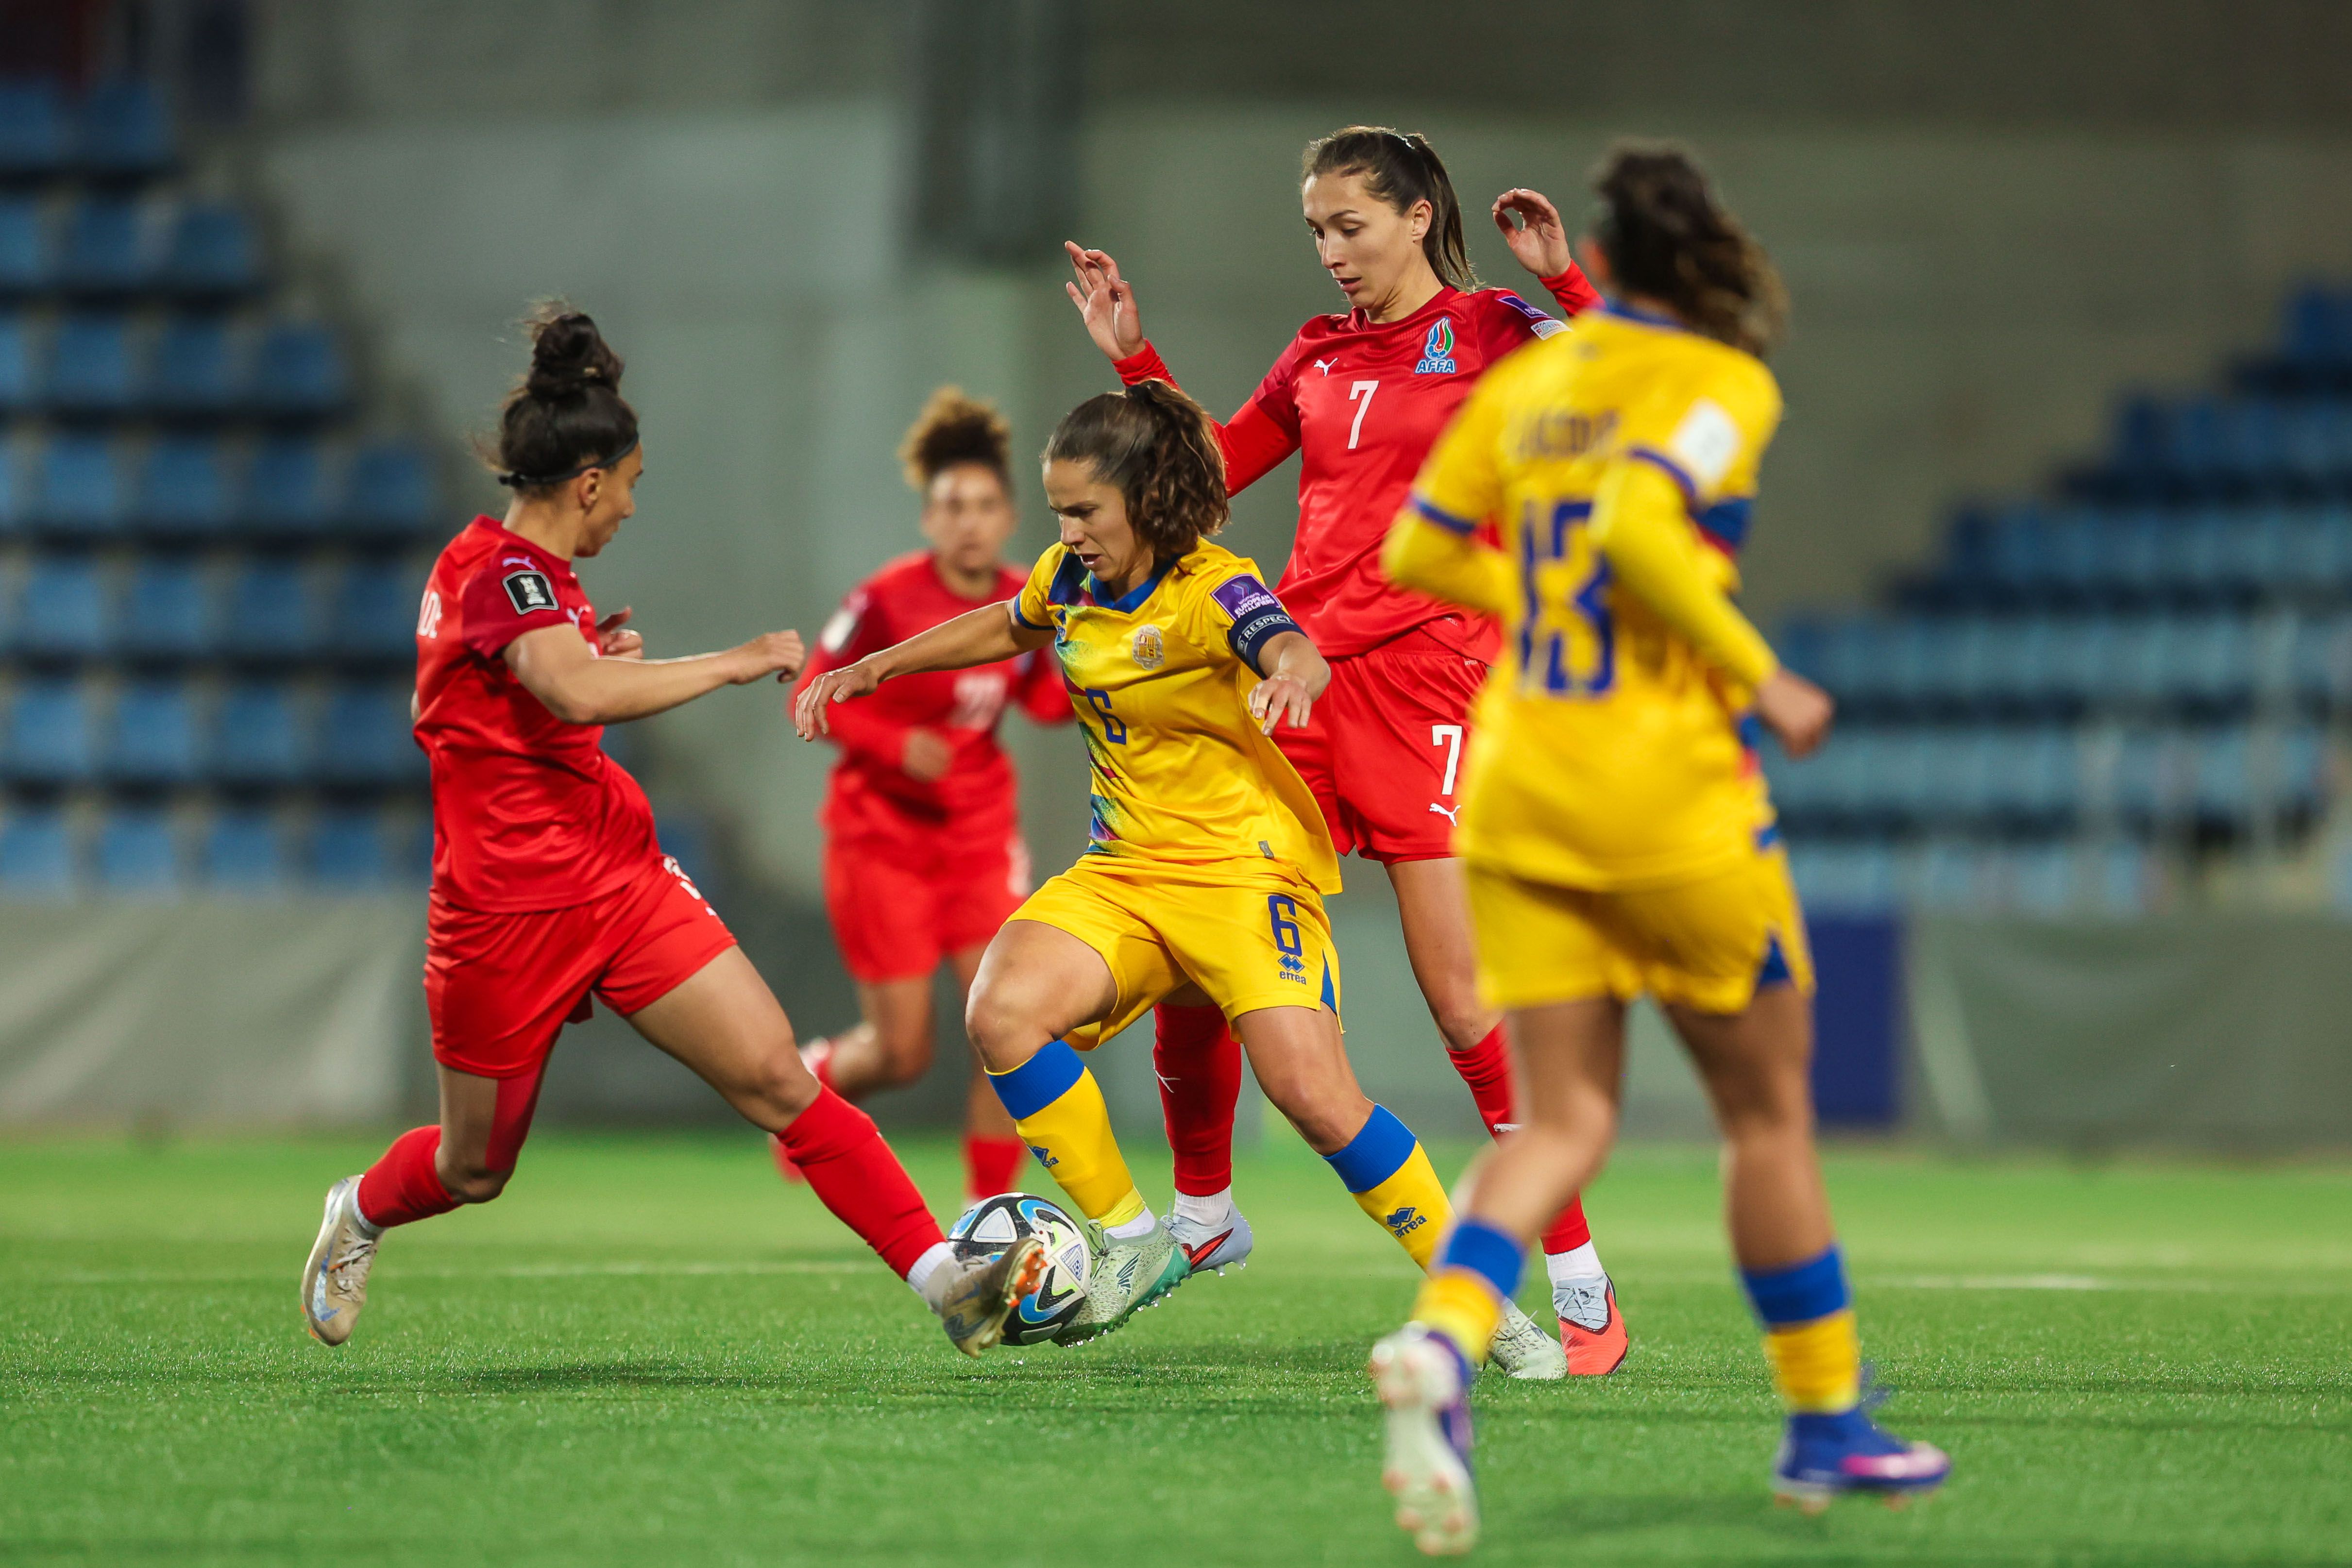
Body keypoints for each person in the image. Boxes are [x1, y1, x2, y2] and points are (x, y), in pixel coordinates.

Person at [1365, 144, 1951, 1553]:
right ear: (1713, 260)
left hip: (1515, 788)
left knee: (1560, 1118)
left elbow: (1421, 553)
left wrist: (1548, 593)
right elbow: (1634, 518)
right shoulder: (1721, 385)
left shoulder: (1523, 384)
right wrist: (1761, 675)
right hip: (1665, 792)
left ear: (1606, 261)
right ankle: (1823, 1423)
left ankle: (1444, 1344)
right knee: (1765, 1114)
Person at [299, 306, 1044, 1359]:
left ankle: (944, 1281)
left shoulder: (538, 580)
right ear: (590, 480)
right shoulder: (497, 570)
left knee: (781, 1079)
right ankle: (363, 1210)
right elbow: (569, 690)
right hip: (505, 912)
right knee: (476, 1168)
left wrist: (596, 648)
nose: (634, 508)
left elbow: (548, 679)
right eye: (634, 484)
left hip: (621, 879)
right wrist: (730, 660)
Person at [795, 380, 1558, 1366]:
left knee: (1316, 1098)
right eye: (1059, 510)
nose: (1064, 531)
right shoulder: (1070, 579)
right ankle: (1130, 1237)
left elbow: (1283, 640)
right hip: (1124, 873)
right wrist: (875, 668)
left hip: (1245, 877)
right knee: (1002, 1008)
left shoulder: (1212, 587)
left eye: (1083, 511)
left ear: (1146, 497)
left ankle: (1486, 1305)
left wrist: (1291, 671)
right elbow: (1009, 623)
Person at [1062, 124, 1625, 1372]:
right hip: (1301, 677)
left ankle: (1579, 1279)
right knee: (1209, 916)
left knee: (1458, 992)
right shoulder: (1315, 353)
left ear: (1420, 216)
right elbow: (1205, 481)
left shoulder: (1490, 331)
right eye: (1314, 231)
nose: (1328, 252)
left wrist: (1563, 279)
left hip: (1430, 675)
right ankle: (1202, 1216)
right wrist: (1135, 360)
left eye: (1348, 227)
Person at [779, 388, 1070, 1205]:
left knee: (1008, 1025)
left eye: (985, 504)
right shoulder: (885, 600)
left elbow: (1044, 702)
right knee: (903, 1053)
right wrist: (892, 742)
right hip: (881, 841)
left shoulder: (1030, 600)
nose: (969, 521)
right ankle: (816, 1077)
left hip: (979, 841)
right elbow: (809, 692)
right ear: (929, 519)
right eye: (952, 505)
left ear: (1012, 514)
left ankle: (991, 1214)